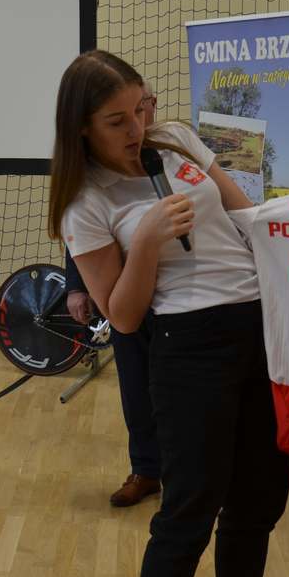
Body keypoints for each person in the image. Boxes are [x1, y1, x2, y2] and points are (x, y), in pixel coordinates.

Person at [50, 51, 289, 577]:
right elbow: (123, 317)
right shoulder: (85, 202)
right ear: (82, 127)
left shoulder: (176, 140)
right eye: (117, 120)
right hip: (189, 347)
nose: (137, 128)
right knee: (189, 513)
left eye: (142, 108)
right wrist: (148, 241)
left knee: (258, 500)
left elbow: (248, 217)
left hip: (261, 328)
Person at [65, 82, 160, 508]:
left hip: (183, 304)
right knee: (136, 390)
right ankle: (145, 470)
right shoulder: (96, 173)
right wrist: (76, 286)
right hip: (122, 297)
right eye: (125, 115)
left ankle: (191, 477)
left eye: (144, 107)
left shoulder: (173, 158)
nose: (138, 120)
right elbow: (80, 234)